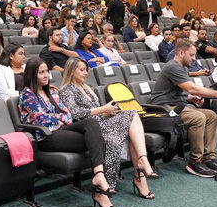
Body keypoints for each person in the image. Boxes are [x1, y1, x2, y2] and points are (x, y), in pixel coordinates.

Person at [18, 57, 117, 207]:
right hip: (45, 137)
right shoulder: (27, 94)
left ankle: (98, 176)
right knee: (97, 141)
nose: (46, 76)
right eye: (41, 72)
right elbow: (42, 120)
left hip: (61, 130)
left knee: (92, 123)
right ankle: (100, 192)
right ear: (31, 74)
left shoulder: (51, 91)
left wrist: (58, 119)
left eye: (47, 71)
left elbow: (68, 115)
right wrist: (59, 119)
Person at [60, 57, 156, 199]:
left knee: (133, 117)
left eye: (86, 70)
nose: (86, 73)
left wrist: (106, 112)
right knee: (129, 128)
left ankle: (142, 164)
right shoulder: (66, 90)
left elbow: (98, 111)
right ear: (71, 71)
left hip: (102, 121)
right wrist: (102, 110)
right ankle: (140, 176)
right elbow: (75, 113)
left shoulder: (88, 88)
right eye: (82, 70)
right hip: (89, 129)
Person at [150, 40, 217, 177]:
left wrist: (190, 98)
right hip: (164, 108)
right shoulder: (173, 67)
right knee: (198, 117)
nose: (194, 59)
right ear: (181, 53)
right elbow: (192, 88)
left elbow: (178, 92)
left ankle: (208, 158)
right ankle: (195, 162)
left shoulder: (183, 67)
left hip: (177, 106)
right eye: (192, 55)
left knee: (211, 115)